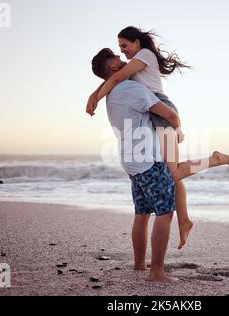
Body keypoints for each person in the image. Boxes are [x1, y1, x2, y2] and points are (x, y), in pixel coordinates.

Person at [90, 48, 229, 282]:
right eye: (118, 59)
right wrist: (177, 130)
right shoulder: (132, 89)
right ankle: (157, 272)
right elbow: (168, 114)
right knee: (165, 212)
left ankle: (139, 265)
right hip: (148, 159)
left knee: (141, 214)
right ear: (113, 68)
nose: (124, 60)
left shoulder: (112, 96)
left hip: (130, 161)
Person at [87, 26, 193, 250]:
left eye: (124, 46)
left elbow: (115, 77)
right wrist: (94, 94)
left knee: (173, 172)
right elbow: (113, 76)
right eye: (119, 49)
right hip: (154, 110)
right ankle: (184, 221)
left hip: (160, 107)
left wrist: (95, 96)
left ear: (137, 42)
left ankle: (185, 218)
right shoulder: (129, 70)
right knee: (172, 173)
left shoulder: (144, 54)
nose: (123, 51)